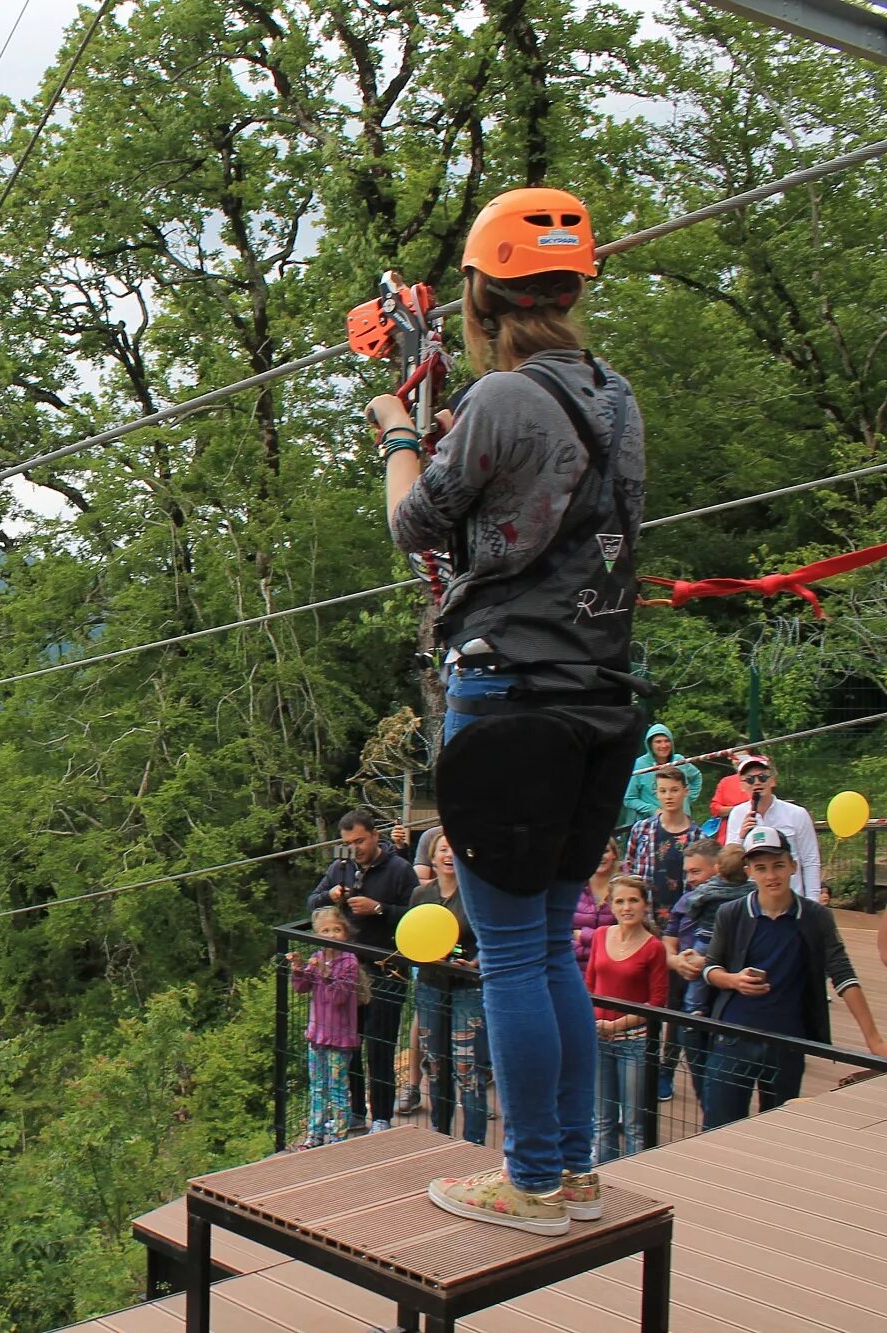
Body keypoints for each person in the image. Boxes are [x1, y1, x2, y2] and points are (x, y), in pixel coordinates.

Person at [375, 186, 647, 1235]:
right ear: (574, 288)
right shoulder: (614, 398)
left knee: (513, 954)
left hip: (505, 696)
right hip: (594, 694)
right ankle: (568, 1169)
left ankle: (532, 1177)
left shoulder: (500, 401)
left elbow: (415, 521)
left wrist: (397, 428)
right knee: (544, 944)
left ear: (483, 296)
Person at [694, 826, 887, 1126]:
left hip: (787, 1042)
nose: (771, 875)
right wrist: (734, 980)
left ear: (793, 866)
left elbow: (843, 974)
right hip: (734, 1038)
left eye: (778, 866)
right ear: (749, 871)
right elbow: (710, 968)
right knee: (719, 1126)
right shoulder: (731, 914)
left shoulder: (815, 917)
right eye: (761, 868)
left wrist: (873, 1040)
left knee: (780, 1128)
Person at [306, 812, 419, 1132]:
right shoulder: (340, 868)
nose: (354, 848)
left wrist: (379, 909)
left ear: (374, 836)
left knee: (380, 1045)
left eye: (359, 841)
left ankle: (381, 1116)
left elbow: (417, 916)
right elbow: (312, 902)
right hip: (347, 971)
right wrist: (331, 896)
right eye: (347, 843)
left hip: (386, 969)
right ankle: (355, 1110)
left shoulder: (399, 870)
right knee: (348, 1044)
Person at [622, 765, 697, 1100]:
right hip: (647, 928)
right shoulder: (642, 830)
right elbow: (629, 875)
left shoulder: (697, 837)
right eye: (662, 791)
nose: (668, 796)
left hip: (681, 932)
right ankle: (643, 1065)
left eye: (673, 790)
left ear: (685, 792)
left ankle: (666, 1069)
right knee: (646, 999)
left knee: (677, 1005)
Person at [411, 835, 490, 1143]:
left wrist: (471, 964)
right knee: (435, 1065)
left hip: (467, 990)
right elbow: (411, 938)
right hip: (430, 985)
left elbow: (490, 939)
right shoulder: (421, 894)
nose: (448, 855)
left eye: (454, 849)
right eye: (443, 849)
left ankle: (474, 1143)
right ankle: (439, 1135)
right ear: (432, 857)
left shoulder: (476, 896)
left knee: (468, 1070)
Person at [585, 875, 667, 1163]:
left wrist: (616, 1025)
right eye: (620, 901)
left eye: (633, 900)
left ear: (645, 904)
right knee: (602, 1117)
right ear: (611, 904)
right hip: (598, 1036)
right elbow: (590, 985)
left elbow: (657, 1002)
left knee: (633, 1121)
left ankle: (635, 1177)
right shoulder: (600, 935)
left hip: (633, 1041)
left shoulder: (654, 947)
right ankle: (603, 1174)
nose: (627, 907)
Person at [664, 839, 749, 1113]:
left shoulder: (743, 901)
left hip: (725, 1001)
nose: (690, 879)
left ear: (718, 868)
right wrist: (676, 961)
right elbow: (668, 938)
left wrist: (705, 965)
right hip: (689, 1002)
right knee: (701, 1076)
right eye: (687, 872)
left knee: (725, 1082)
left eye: (696, 872)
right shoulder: (685, 900)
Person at [289, 906, 367, 1147]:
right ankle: (315, 1134)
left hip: (340, 1038)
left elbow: (338, 998)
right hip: (317, 1035)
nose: (331, 935)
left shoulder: (349, 962)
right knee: (317, 1088)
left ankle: (338, 1137)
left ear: (345, 932)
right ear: (316, 934)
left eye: (336, 929)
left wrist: (324, 973)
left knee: (338, 1090)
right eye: (325, 930)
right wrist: (299, 969)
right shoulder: (318, 956)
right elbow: (302, 988)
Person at [721, 754, 822, 902]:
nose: (757, 783)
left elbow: (810, 860)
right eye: (750, 779)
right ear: (742, 786)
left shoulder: (797, 814)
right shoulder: (737, 814)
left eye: (762, 777)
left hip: (792, 899)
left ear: (772, 781)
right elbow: (729, 864)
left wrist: (813, 901)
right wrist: (741, 836)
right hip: (751, 900)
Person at [619, 723, 704, 829]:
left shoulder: (679, 761)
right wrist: (653, 810)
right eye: (658, 742)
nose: (663, 745)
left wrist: (687, 799)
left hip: (682, 823)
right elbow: (629, 799)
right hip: (652, 827)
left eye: (667, 740)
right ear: (650, 744)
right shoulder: (639, 765)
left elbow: (696, 777)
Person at [572, 840, 620, 970]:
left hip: (612, 968)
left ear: (614, 854)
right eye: (593, 851)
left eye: (605, 851)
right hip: (574, 968)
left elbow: (628, 936)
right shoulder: (572, 887)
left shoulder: (625, 887)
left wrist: (583, 935)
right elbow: (561, 933)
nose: (599, 856)